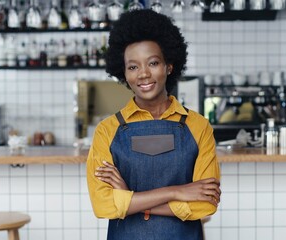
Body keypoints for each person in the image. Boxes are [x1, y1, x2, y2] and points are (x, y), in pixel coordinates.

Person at [86, 9, 221, 240]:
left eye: (153, 63)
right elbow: (103, 205)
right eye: (133, 67)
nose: (143, 74)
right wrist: (177, 191)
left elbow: (205, 205)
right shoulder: (107, 130)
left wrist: (131, 198)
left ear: (169, 66)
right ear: (124, 73)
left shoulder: (199, 126)